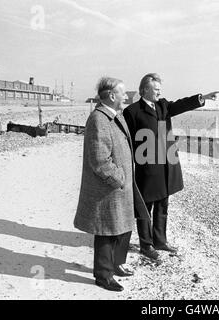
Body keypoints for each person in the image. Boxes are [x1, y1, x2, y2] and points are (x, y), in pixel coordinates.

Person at [123, 73, 219, 260]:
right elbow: (127, 140)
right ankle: (146, 245)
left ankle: (160, 240)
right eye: (156, 89)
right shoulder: (132, 111)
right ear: (144, 90)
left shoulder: (163, 105)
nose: (159, 92)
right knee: (145, 208)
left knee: (163, 205)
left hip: (167, 165)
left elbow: (181, 104)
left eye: (160, 89)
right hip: (147, 168)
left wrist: (203, 98)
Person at [74, 77, 148, 291]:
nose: (127, 96)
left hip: (121, 186)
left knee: (123, 228)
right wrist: (119, 178)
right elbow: (99, 160)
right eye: (123, 93)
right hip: (108, 188)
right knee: (107, 231)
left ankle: (116, 264)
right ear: (112, 96)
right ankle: (103, 275)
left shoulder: (116, 115)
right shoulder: (99, 119)